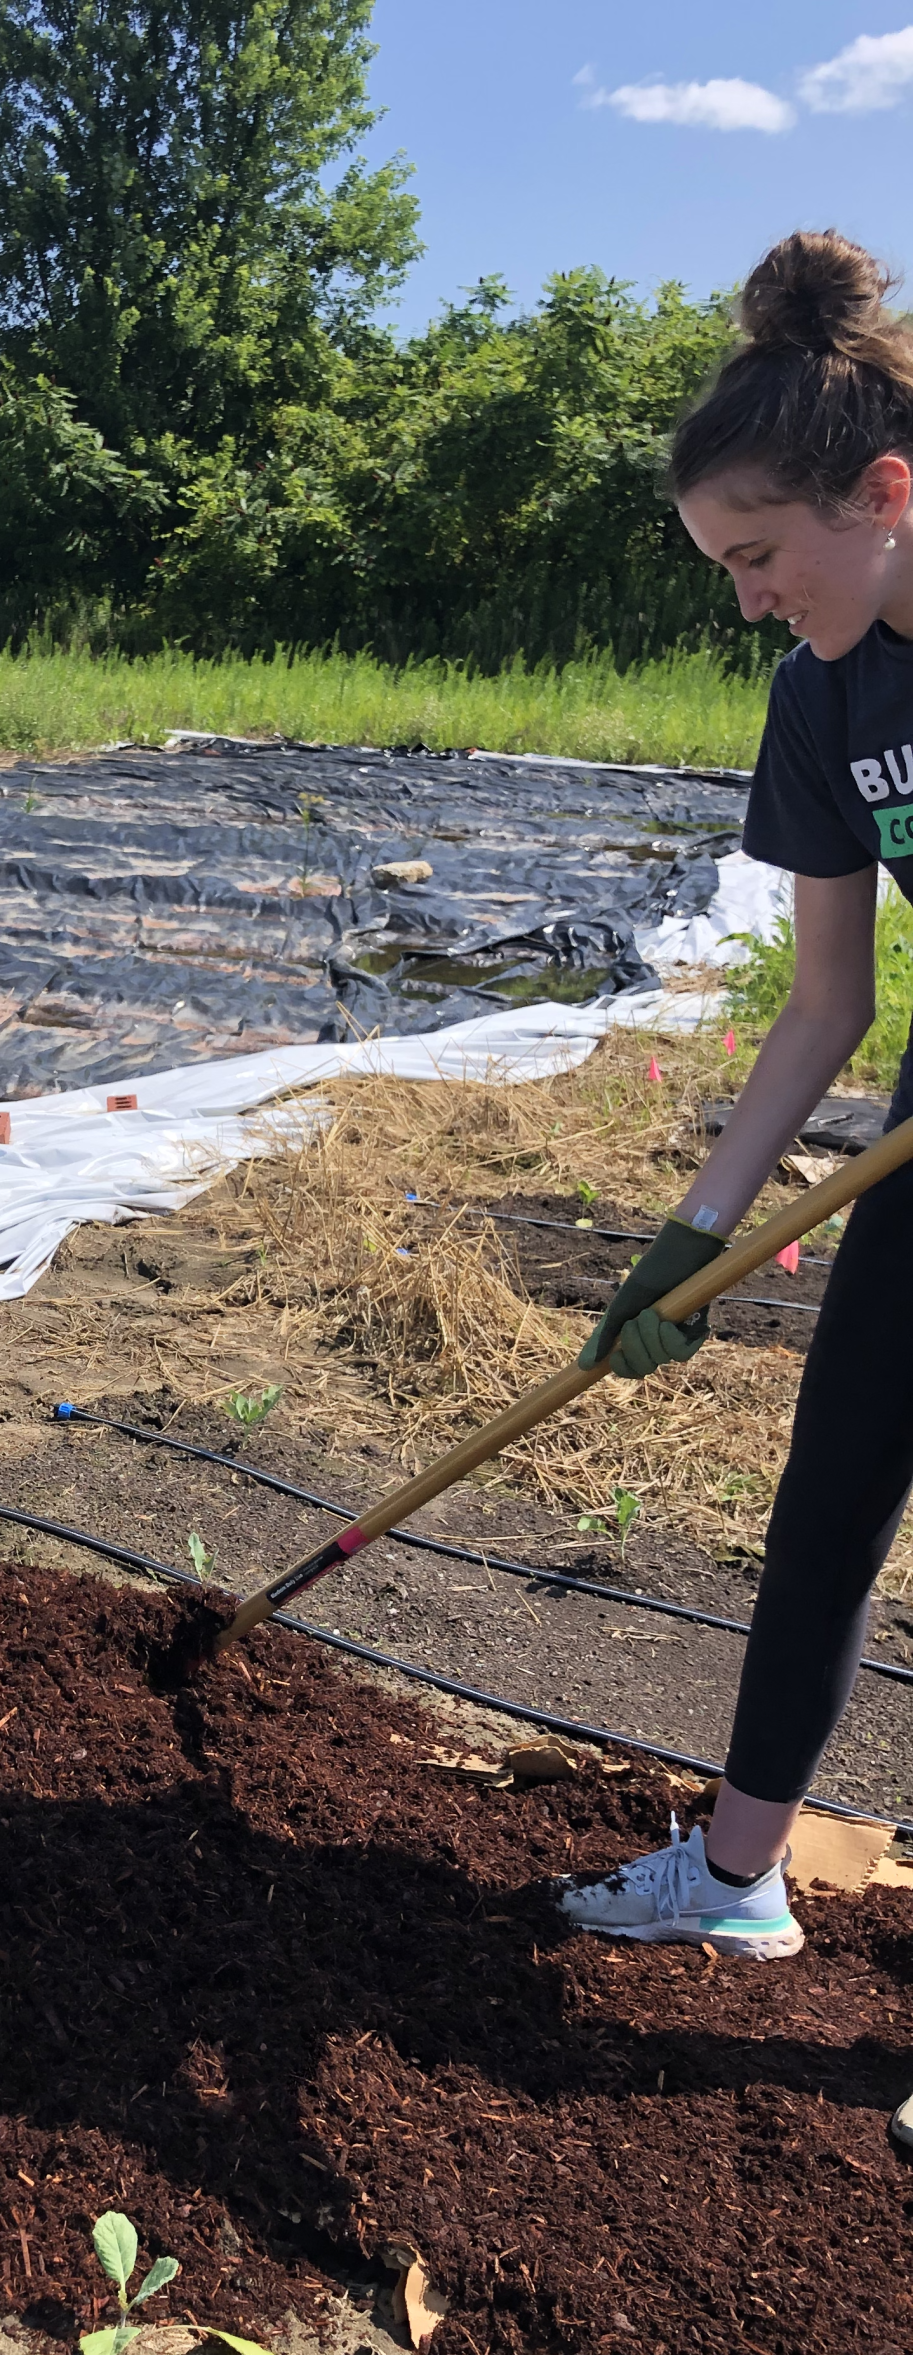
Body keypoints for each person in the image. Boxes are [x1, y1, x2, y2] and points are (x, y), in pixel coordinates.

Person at [553, 233, 913, 2150]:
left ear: (885, 494)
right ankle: (739, 1874)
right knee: (833, 1487)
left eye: (764, 556)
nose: (754, 599)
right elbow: (827, 1004)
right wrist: (692, 1240)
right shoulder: (822, 699)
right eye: (728, 571)